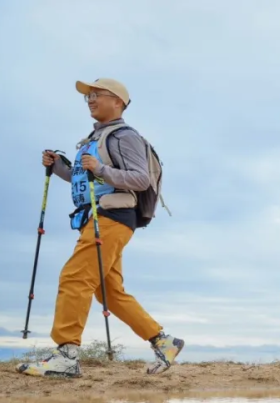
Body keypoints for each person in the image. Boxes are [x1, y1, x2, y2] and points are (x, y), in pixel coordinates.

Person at [17, 78, 183, 378]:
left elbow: (140, 179)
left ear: (118, 101)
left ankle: (66, 355)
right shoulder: (95, 139)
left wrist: (101, 169)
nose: (91, 100)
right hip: (97, 219)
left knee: (74, 278)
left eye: (97, 95)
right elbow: (89, 180)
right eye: (88, 96)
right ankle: (163, 341)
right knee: (109, 292)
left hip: (112, 218)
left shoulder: (124, 136)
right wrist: (58, 167)